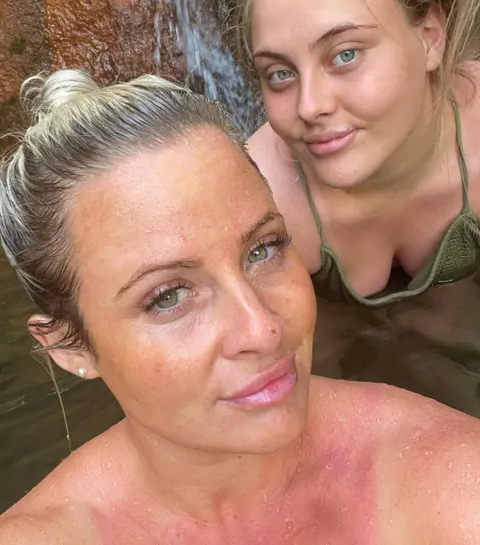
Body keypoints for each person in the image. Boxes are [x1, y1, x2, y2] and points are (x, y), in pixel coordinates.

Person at [1, 69, 480, 544]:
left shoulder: (449, 482)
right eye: (168, 296)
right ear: (69, 347)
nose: (263, 329)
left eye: (263, 250)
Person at [232, 0, 480, 414]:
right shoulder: (260, 201)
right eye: (279, 74)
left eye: (345, 55)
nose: (310, 105)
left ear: (430, 36)